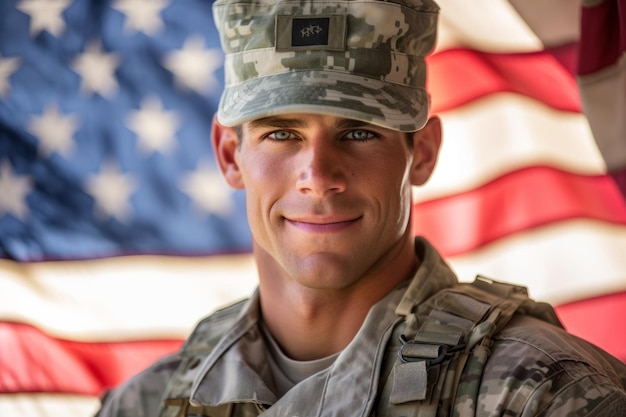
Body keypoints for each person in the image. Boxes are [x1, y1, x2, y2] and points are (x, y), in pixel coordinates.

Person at [96, 0, 626, 416]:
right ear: (230, 156)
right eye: (282, 133)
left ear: (423, 153)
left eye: (358, 131)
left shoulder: (544, 396)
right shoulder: (148, 404)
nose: (319, 177)